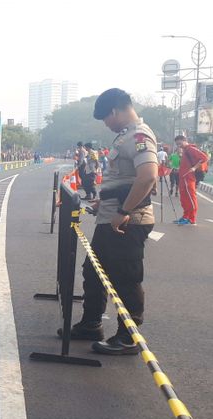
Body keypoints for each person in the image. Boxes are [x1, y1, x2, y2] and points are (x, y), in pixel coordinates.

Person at [61, 88, 158, 355]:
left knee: (125, 277)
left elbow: (148, 175)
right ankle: (91, 323)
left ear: (115, 110)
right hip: (112, 216)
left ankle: (129, 337)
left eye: (106, 117)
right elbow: (123, 179)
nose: (106, 123)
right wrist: (103, 201)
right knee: (94, 272)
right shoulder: (124, 137)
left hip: (127, 220)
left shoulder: (139, 136)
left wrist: (125, 210)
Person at [173, 135, 209, 225]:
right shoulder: (185, 150)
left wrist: (194, 168)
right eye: (177, 144)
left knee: (190, 198)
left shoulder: (190, 149)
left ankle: (191, 218)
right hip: (183, 177)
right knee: (184, 199)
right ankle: (185, 216)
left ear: (185, 140)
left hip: (189, 178)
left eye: (180, 143)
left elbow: (204, 157)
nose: (179, 146)